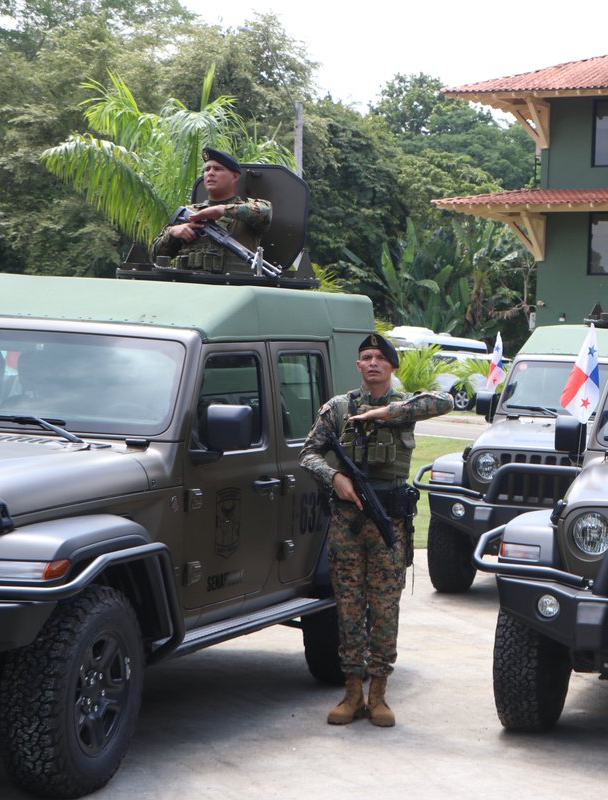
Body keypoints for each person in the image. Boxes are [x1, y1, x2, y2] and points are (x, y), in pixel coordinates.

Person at [300, 333, 453, 727]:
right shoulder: (338, 408)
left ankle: (379, 694)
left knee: (385, 610)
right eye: (366, 357)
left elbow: (445, 401)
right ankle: (352, 693)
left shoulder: (406, 407)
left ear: (391, 366)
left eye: (379, 358)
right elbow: (308, 453)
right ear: (358, 365)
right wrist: (334, 477)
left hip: (390, 524)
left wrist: (386, 413)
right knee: (349, 609)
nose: (372, 363)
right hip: (347, 524)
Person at [151, 147, 272, 272]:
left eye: (217, 169)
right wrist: (172, 233)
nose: (210, 173)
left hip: (233, 283)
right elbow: (155, 256)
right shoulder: (189, 213)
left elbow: (265, 212)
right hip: (190, 283)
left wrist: (222, 210)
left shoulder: (247, 210)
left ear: (235, 176)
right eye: (207, 169)